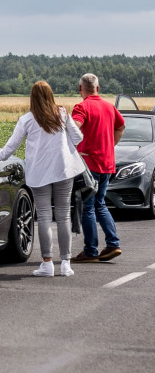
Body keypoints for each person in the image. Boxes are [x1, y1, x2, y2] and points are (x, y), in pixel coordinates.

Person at [0, 80, 85, 277]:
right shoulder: (62, 114)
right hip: (63, 170)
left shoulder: (27, 119)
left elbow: (11, 147)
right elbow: (78, 137)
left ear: (32, 98)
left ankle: (47, 264)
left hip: (39, 172)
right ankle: (65, 263)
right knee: (63, 215)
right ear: (50, 95)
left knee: (45, 216)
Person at [71, 73, 125, 262]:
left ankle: (91, 251)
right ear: (98, 88)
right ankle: (113, 243)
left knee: (88, 207)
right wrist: (110, 145)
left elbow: (74, 128)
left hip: (90, 164)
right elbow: (120, 126)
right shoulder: (109, 107)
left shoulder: (81, 107)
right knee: (100, 204)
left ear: (80, 89)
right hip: (107, 163)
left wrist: (75, 150)